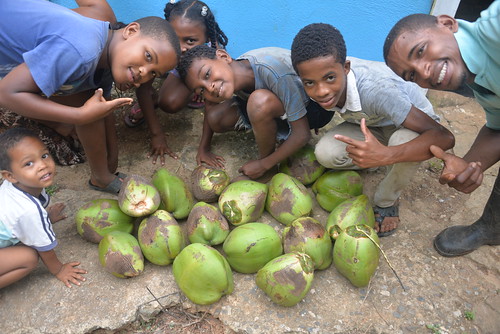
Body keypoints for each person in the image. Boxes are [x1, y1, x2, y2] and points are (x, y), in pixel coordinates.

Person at [0, 0, 181, 195]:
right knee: (81, 106)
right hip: (10, 78)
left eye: (153, 73)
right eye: (147, 56)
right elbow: (6, 93)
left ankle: (101, 176)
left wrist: (112, 158)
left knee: (86, 100)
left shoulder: (107, 45)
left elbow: (101, 106)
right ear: (130, 31)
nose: (143, 73)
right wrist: (78, 116)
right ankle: (99, 173)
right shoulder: (81, 52)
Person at [290, 23, 454, 236]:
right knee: (325, 154)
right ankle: (377, 158)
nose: (321, 91)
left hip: (411, 127)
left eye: (330, 78)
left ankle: (387, 202)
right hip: (372, 124)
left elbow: (444, 136)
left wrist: (386, 155)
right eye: (310, 83)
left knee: (400, 141)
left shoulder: (377, 91)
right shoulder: (321, 74)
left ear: (346, 68)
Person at [383, 1, 500, 255]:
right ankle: (492, 227)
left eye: (421, 50)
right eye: (412, 76)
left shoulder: (496, 25)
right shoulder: (481, 86)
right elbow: (497, 129)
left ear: (448, 24)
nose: (423, 72)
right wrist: (467, 165)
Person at [177, 45, 335, 181]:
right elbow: (209, 105)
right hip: (283, 101)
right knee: (216, 118)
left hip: (315, 109)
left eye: (207, 75)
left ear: (223, 56)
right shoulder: (233, 71)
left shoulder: (272, 72)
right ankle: (274, 127)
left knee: (258, 103)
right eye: (201, 90)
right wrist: (203, 148)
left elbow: (302, 135)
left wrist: (263, 165)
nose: (209, 87)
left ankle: (268, 168)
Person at [124, 0, 229, 166]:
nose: (180, 47)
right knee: (168, 103)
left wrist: (204, 148)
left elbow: (212, 105)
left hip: (193, 70)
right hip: (175, 70)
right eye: (174, 36)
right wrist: (156, 134)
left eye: (190, 41)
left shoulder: (212, 54)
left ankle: (197, 89)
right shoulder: (159, 43)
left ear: (207, 37)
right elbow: (143, 89)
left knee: (177, 100)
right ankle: (154, 100)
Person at [0, 128, 87, 289]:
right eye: (28, 163)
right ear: (10, 176)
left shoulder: (24, 185)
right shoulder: (29, 210)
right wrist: (59, 269)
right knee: (29, 258)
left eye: (44, 155)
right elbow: (44, 248)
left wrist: (45, 217)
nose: (42, 165)